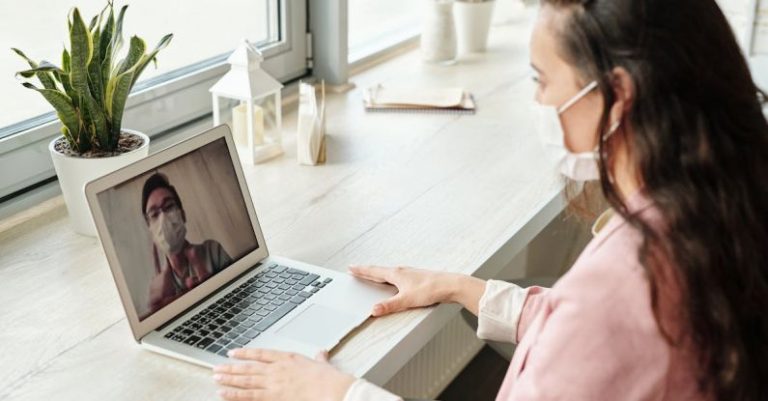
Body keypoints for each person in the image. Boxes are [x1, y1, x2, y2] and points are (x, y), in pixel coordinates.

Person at [211, 0, 768, 400]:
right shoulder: (713, 207)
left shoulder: (626, 281)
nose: (538, 100)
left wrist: (336, 393)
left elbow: (598, 322)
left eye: (541, 80)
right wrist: (462, 288)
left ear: (617, 96)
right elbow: (596, 337)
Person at [142, 173, 233, 315]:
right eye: (154, 214)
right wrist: (158, 311)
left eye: (169, 206)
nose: (163, 218)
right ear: (151, 230)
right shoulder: (158, 288)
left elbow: (241, 297)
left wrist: (211, 287)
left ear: (183, 215)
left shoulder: (212, 251)